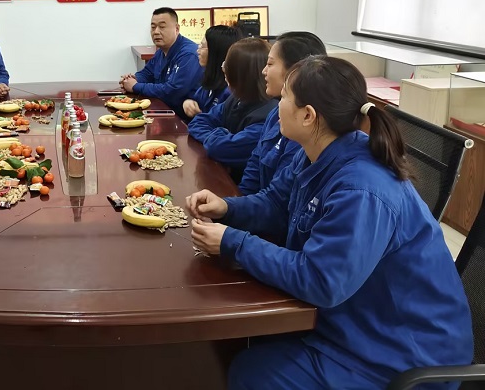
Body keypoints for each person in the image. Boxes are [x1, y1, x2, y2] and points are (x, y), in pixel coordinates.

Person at [187, 56, 473, 389]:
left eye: (285, 97)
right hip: (355, 321)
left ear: (308, 115)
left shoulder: (361, 189)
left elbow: (321, 281)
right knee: (238, 341)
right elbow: (276, 203)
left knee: (250, 371)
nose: (277, 105)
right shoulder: (314, 151)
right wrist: (227, 208)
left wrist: (233, 243)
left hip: (399, 355)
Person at [237, 31, 326, 195]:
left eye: (270, 64)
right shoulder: (276, 113)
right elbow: (254, 165)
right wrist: (234, 203)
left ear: (295, 71)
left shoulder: (306, 130)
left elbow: (279, 199)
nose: (264, 71)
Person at [187, 37, 275, 182]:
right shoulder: (237, 98)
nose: (224, 70)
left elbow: (220, 148)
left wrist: (219, 136)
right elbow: (198, 122)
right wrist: (223, 134)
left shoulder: (269, 114)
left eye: (227, 67)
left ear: (239, 74)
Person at [120, 7, 202, 120]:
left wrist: (135, 86)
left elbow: (172, 91)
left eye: (162, 27)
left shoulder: (188, 54)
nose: (156, 32)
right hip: (162, 111)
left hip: (183, 119)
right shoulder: (162, 50)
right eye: (153, 27)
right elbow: (147, 73)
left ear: (177, 28)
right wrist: (132, 79)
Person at [182, 25, 242, 119]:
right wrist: (188, 103)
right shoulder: (209, 80)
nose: (197, 51)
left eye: (202, 46)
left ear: (216, 52)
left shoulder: (230, 92)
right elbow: (196, 100)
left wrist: (199, 117)